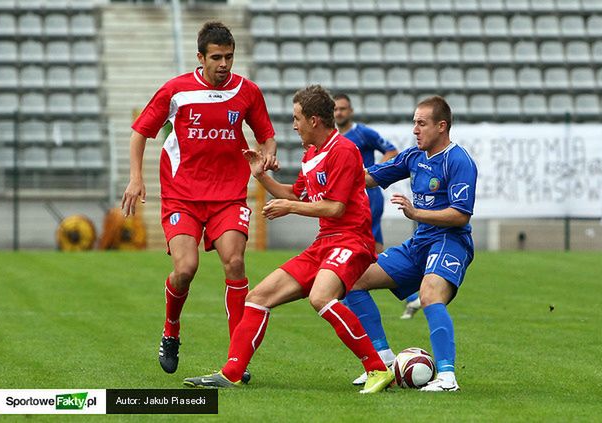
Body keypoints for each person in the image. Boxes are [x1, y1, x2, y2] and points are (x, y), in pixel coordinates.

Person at [183, 85, 394, 394]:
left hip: (351, 241)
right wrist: (260, 175)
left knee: (320, 297)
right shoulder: (312, 154)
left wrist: (291, 208)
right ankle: (232, 373)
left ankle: (377, 369)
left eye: (297, 119)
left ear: (314, 121)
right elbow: (294, 193)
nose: (294, 126)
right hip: (325, 242)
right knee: (257, 297)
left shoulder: (344, 150)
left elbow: (335, 208)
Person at [121, 21, 278, 379]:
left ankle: (236, 360)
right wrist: (135, 178)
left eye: (229, 57)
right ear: (201, 57)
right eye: (217, 57)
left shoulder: (247, 92)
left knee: (235, 263)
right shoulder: (176, 91)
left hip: (229, 194)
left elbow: (267, 136)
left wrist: (267, 155)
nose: (224, 64)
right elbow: (139, 133)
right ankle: (171, 330)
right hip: (182, 195)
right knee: (185, 269)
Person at [350, 95, 478, 392]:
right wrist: (326, 173)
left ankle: (447, 378)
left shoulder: (459, 161)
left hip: (450, 240)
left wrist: (416, 212)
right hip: (420, 242)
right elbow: (368, 177)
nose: (415, 130)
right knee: (353, 280)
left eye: (421, 123)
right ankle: (381, 362)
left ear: (441, 126)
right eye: (414, 123)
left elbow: (460, 215)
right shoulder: (413, 157)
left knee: (430, 294)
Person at [333, 93, 399, 385]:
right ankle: (408, 295)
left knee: (361, 256)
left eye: (344, 108)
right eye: (336, 108)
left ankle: (405, 294)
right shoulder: (331, 137)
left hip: (366, 195)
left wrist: (370, 171)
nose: (340, 112)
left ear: (351, 110)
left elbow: (391, 151)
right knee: (374, 251)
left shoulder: (363, 133)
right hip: (346, 197)